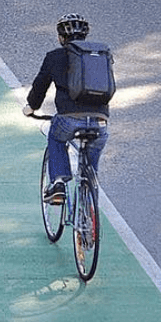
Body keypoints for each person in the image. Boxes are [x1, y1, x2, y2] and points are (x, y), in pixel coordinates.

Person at [22, 13, 110, 205]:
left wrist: (31, 107)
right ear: (85, 36)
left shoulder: (54, 56)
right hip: (100, 121)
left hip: (69, 119)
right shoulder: (101, 55)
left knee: (55, 135)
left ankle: (59, 182)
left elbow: (40, 87)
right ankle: (89, 208)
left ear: (61, 37)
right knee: (90, 170)